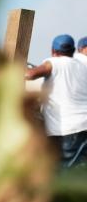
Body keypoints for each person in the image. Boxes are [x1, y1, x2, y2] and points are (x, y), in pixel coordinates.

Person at [26, 34, 87, 168]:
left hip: (67, 132)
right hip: (84, 127)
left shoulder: (54, 62)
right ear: (73, 50)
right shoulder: (82, 66)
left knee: (64, 175)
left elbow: (30, 75)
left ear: (53, 51)